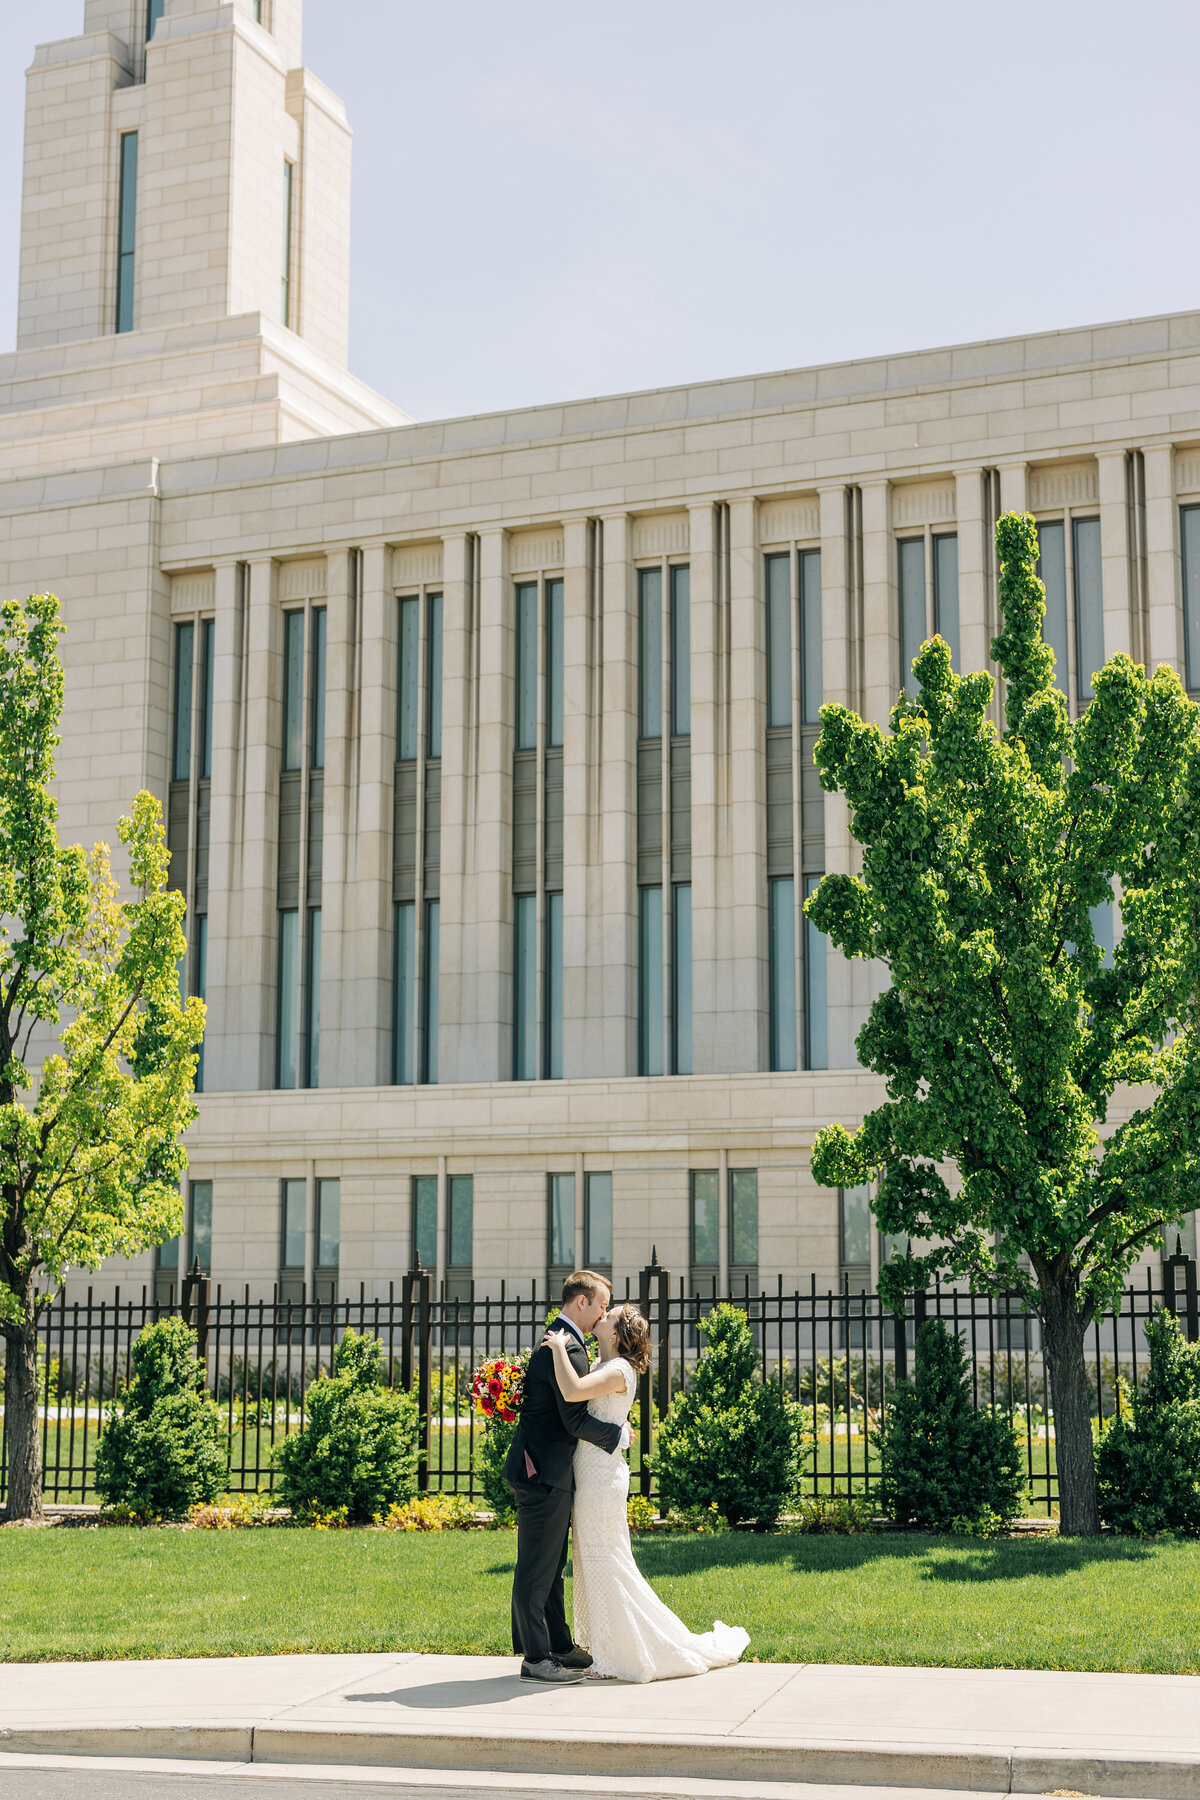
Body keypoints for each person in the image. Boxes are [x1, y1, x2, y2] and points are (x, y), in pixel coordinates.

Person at [542, 1302, 750, 1682]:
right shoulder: (605, 1366)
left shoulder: (618, 1369)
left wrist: (557, 1347)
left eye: (609, 1315)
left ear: (617, 1335)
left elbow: (572, 1393)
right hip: (591, 1474)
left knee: (607, 1560)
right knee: (594, 1560)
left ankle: (621, 1652)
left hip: (601, 1480)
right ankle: (607, 1648)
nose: (601, 1315)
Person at [504, 1269, 631, 1684]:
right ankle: (536, 1658)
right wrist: (617, 1435)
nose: (604, 1313)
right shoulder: (567, 1346)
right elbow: (574, 1418)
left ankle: (559, 1646)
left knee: (551, 1565)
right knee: (537, 1569)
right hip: (542, 1472)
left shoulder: (563, 1341)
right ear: (582, 1302)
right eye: (601, 1305)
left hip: (550, 1470)